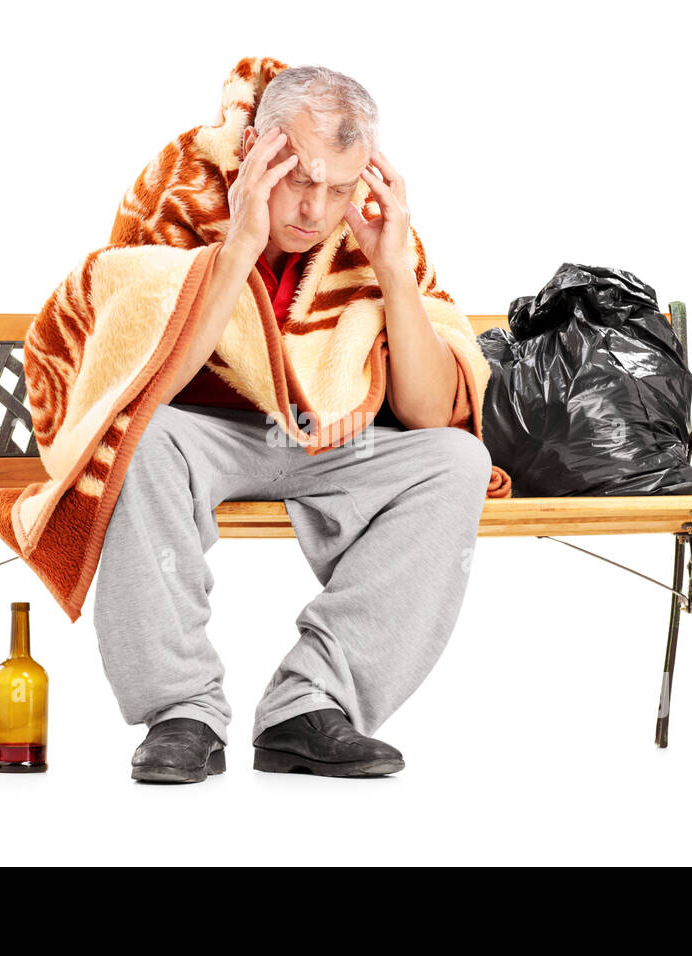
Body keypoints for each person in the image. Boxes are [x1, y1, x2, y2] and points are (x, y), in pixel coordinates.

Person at [92, 65, 493, 783]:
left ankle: (308, 708)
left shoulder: (368, 226)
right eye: (299, 180)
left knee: (454, 463)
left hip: (325, 438)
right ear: (254, 149)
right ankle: (182, 712)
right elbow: (144, 386)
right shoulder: (176, 192)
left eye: (339, 187)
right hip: (197, 433)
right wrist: (239, 244)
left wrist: (394, 271)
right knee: (138, 442)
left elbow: (432, 414)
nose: (315, 208)